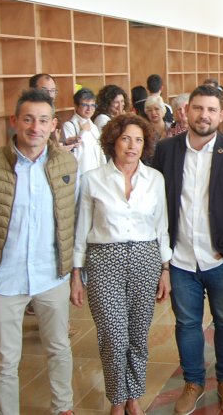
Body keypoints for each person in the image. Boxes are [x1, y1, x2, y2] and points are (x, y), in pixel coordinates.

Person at [0, 88, 78, 415]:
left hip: (51, 276)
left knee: (59, 348)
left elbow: (73, 219)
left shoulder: (67, 164)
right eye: (28, 119)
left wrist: (74, 272)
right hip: (4, 280)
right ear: (14, 121)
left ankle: (63, 407)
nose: (35, 128)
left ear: (53, 125)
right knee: (4, 359)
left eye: (43, 120)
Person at [151, 84, 223, 415]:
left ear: (221, 115)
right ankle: (193, 382)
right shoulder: (166, 150)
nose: (204, 115)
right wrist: (163, 257)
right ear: (186, 112)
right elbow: (156, 202)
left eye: (212, 110)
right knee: (187, 324)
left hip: (221, 258)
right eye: (198, 108)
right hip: (180, 259)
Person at [69, 113, 172, 415]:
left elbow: (162, 227)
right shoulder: (93, 179)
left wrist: (165, 269)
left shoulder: (155, 179)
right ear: (113, 141)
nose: (132, 146)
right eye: (126, 138)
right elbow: (81, 229)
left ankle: (134, 396)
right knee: (113, 337)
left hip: (145, 258)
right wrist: (76, 273)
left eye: (138, 140)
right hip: (104, 260)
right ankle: (117, 397)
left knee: (138, 335)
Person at [62, 87, 105, 176]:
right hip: (80, 175)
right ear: (76, 106)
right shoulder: (69, 126)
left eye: (93, 105)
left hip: (96, 174)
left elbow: (100, 152)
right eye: (85, 105)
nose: (89, 109)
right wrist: (83, 132)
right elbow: (72, 155)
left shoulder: (93, 127)